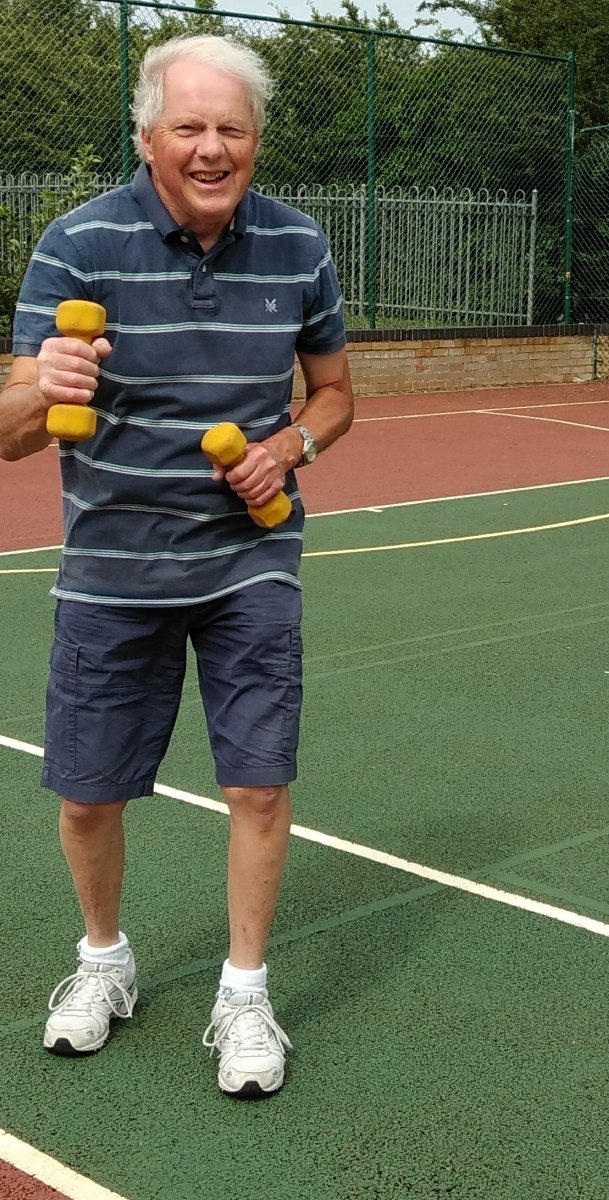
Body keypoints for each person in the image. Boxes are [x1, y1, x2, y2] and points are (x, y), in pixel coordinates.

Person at [0, 35, 354, 1097]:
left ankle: (244, 994)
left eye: (231, 129)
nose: (212, 148)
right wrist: (43, 384)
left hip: (251, 558)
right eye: (189, 127)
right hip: (112, 566)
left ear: (256, 141)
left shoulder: (298, 245)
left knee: (258, 783)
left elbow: (336, 395)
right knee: (86, 796)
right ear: (148, 137)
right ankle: (104, 963)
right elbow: (13, 436)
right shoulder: (78, 244)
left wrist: (289, 447)